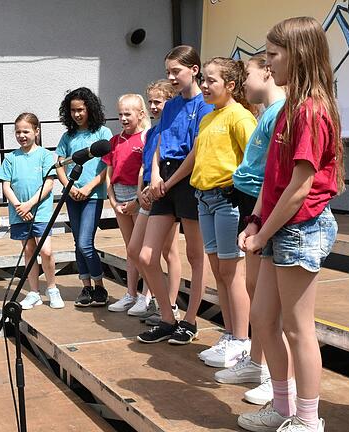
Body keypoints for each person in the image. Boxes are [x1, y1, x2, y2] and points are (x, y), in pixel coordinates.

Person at [237, 17, 342, 432]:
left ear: (298, 55)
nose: (267, 65)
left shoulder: (313, 110)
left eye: (273, 56)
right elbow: (271, 176)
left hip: (303, 227)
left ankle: (307, 418)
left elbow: (300, 187)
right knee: (263, 320)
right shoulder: (287, 108)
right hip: (279, 227)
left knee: (298, 329)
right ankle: (282, 406)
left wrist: (262, 233)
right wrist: (256, 220)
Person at [215, 52, 285, 406]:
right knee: (255, 289)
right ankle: (257, 363)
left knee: (266, 303)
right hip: (252, 206)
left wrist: (261, 220)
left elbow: (276, 172)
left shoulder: (278, 111)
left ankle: (275, 379)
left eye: (249, 74)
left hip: (264, 207)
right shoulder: (266, 113)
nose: (244, 82)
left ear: (268, 74)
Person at [136, 45, 214, 344]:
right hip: (164, 179)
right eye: (168, 71)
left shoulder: (204, 105)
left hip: (188, 180)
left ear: (194, 70)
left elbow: (195, 151)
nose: (171, 77)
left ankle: (191, 320)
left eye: (176, 71)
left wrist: (170, 181)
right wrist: (155, 175)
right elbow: (159, 143)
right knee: (145, 255)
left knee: (195, 255)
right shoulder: (170, 106)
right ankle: (168, 317)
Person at [190, 57, 257, 356]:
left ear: (230, 85)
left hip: (227, 200)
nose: (204, 85)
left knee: (232, 274)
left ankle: (242, 341)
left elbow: (255, 161)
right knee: (219, 272)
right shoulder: (208, 117)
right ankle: (230, 335)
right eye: (203, 79)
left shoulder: (239, 117)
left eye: (211, 80)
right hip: (204, 200)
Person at [126, 80, 182, 321]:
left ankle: (170, 303)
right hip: (147, 194)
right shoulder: (151, 132)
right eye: (150, 102)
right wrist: (139, 190)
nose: (153, 106)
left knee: (169, 252)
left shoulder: (171, 128)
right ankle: (156, 300)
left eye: (157, 101)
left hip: (164, 193)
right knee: (135, 249)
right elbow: (145, 165)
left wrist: (153, 188)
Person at [55, 87, 113, 307]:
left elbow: (106, 167)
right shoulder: (67, 136)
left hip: (93, 194)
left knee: (85, 242)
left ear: (90, 109)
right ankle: (86, 287)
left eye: (80, 109)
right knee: (77, 243)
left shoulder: (102, 133)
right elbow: (59, 165)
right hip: (72, 194)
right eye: (72, 110)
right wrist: (68, 187)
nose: (77, 114)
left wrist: (88, 187)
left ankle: (100, 287)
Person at [0, 113, 63, 310]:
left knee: (45, 250)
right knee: (28, 251)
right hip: (19, 213)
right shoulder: (11, 158)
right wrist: (20, 206)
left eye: (26, 131)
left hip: (40, 211)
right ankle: (33, 291)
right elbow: (6, 186)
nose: (22, 135)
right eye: (18, 131)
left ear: (36, 131)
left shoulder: (45, 155)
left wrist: (30, 204)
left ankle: (52, 288)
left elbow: (49, 184)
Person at [105, 94, 150, 313]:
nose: (123, 118)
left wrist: (135, 200)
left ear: (140, 114)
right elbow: (109, 172)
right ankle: (130, 293)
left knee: (140, 249)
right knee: (130, 249)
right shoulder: (115, 140)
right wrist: (112, 200)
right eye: (120, 114)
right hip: (119, 194)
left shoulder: (145, 138)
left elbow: (146, 171)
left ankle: (147, 294)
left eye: (128, 114)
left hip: (137, 195)